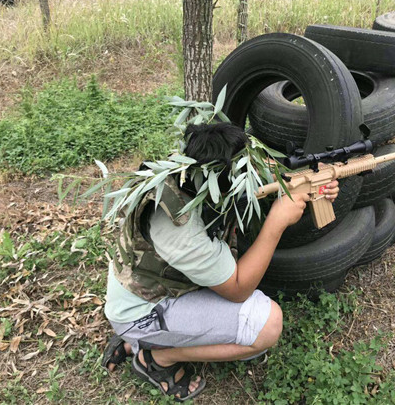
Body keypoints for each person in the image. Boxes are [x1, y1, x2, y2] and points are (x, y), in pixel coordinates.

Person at [102, 122, 339, 401]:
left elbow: (255, 183)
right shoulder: (181, 230)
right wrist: (277, 221)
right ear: (225, 178)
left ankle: (142, 341)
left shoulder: (187, 173)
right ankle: (156, 356)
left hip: (160, 286)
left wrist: (304, 186)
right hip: (143, 311)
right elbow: (239, 290)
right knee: (265, 325)